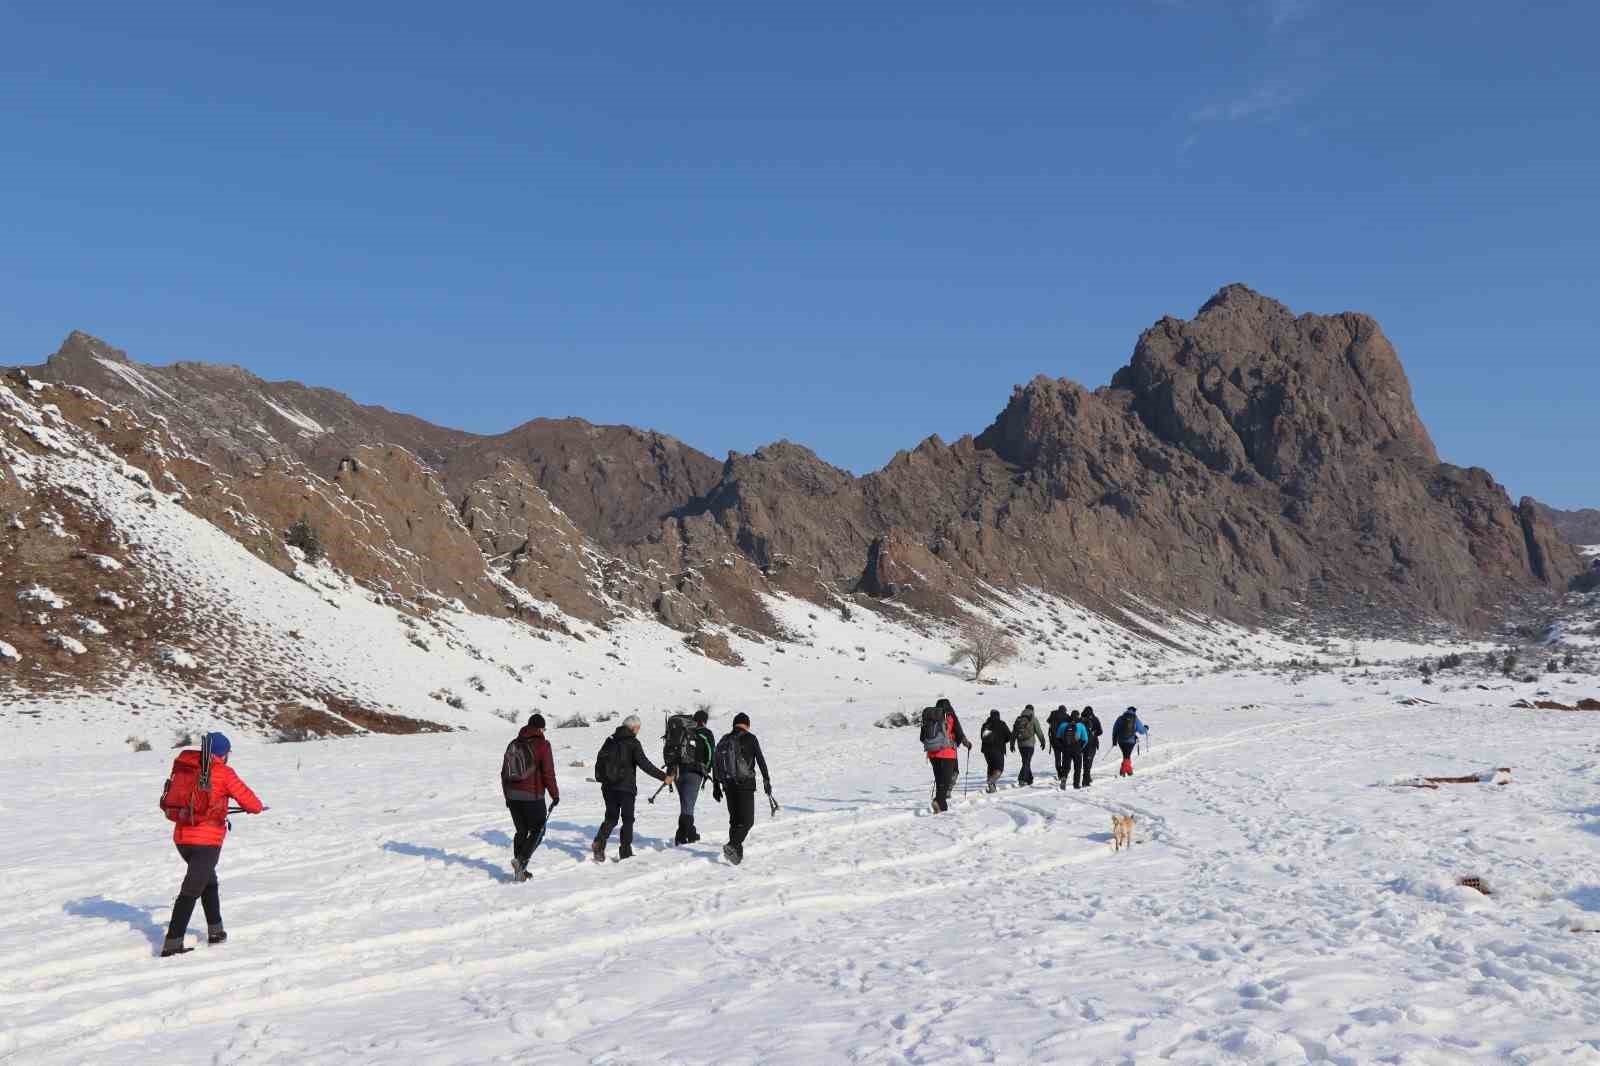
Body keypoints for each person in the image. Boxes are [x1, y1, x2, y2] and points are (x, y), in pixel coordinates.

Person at [160, 732, 264, 957]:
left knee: (208, 881)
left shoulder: (187, 767)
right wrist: (255, 807)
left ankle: (216, 931)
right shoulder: (223, 772)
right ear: (223, 753)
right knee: (191, 889)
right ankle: (172, 943)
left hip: (182, 837)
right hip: (206, 841)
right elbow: (252, 803)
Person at [592, 715, 673, 862]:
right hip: (625, 787)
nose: (639, 731)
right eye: (638, 728)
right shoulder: (633, 743)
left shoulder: (610, 740)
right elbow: (645, 764)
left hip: (608, 786)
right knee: (627, 819)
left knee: (611, 817)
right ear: (634, 728)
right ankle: (625, 851)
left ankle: (599, 842)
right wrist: (663, 776)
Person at [502, 713, 558, 881]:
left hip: (512, 796)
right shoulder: (543, 745)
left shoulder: (513, 743)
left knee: (521, 831)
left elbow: (504, 773)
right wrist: (554, 795)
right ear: (540, 728)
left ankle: (520, 870)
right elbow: (548, 773)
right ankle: (520, 861)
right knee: (538, 830)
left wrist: (507, 796)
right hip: (532, 797)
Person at [711, 712, 772, 865]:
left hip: (727, 785)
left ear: (734, 724)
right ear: (747, 724)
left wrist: (716, 786)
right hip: (745, 785)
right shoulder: (750, 738)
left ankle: (736, 856)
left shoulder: (724, 739)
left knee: (735, 821)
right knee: (748, 821)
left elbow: (715, 763)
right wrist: (766, 780)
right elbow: (761, 760)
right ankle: (732, 846)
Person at [668, 709, 716, 845]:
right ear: (705, 721)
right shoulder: (706, 733)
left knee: (685, 804)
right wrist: (707, 769)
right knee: (688, 806)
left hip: (677, 771)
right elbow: (711, 753)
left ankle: (683, 835)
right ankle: (689, 834)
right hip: (694, 772)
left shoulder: (682, 731)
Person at [926, 698, 971, 813]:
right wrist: (967, 744)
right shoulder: (950, 715)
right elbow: (959, 733)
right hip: (947, 753)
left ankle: (942, 807)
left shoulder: (931, 717)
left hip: (932, 753)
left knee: (939, 779)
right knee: (945, 781)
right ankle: (938, 801)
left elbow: (923, 737)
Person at [1010, 704, 1047, 786]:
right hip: (1029, 744)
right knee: (1026, 762)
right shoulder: (1033, 719)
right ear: (1032, 710)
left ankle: (1029, 779)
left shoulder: (1018, 719)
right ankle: (1021, 779)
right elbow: (1038, 731)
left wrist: (1012, 744)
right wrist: (1043, 741)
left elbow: (1014, 733)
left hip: (1020, 745)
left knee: (1025, 761)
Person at [979, 710, 1011, 793]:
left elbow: (982, 737)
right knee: (999, 768)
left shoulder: (986, 724)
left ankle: (991, 788)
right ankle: (991, 781)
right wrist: (1003, 740)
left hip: (986, 751)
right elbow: (1009, 736)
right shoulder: (1001, 724)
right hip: (998, 749)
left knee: (991, 767)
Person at [1113, 706, 1149, 777]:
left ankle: (1128, 770)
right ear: (1134, 711)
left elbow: (1115, 729)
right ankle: (1124, 771)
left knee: (1126, 755)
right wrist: (1146, 728)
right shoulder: (1135, 719)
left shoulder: (1120, 718)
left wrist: (1114, 740)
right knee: (1127, 756)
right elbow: (1141, 731)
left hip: (1121, 741)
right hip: (1130, 741)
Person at [1047, 705, 1071, 787]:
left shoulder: (1053, 715)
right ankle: (1064, 773)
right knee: (1065, 758)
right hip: (1064, 741)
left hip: (1054, 741)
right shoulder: (1067, 717)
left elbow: (1048, 721)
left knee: (1057, 758)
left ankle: (1059, 773)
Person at [1080, 706, 1103, 787]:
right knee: (1089, 761)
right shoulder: (1094, 719)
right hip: (1092, 743)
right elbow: (1100, 731)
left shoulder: (1080, 719)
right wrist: (1094, 733)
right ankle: (1086, 780)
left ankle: (1087, 777)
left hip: (1082, 744)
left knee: (1085, 761)